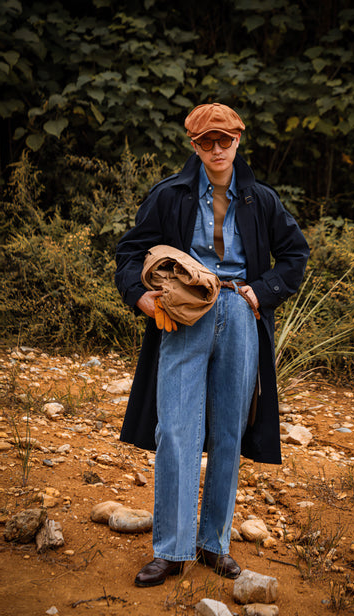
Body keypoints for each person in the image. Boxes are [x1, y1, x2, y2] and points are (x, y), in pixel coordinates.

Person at [115, 102, 310, 587]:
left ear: (239, 139)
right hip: (184, 316)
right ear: (193, 145)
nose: (217, 149)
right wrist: (142, 298)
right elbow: (129, 252)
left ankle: (213, 545)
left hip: (241, 315)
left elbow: (295, 255)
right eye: (207, 142)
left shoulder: (260, 199)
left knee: (228, 434)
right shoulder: (170, 195)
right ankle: (172, 550)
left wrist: (260, 293)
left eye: (225, 140)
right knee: (176, 430)